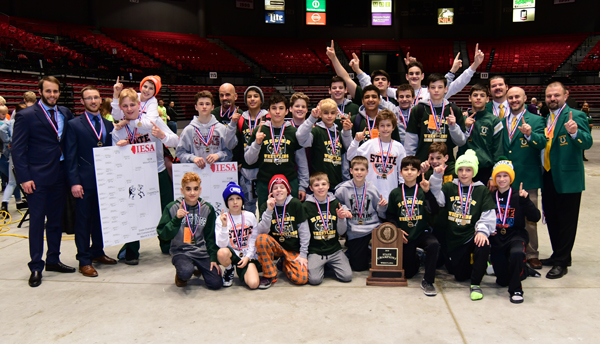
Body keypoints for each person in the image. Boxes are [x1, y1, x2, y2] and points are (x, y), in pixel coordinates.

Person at [12, 76, 76, 287]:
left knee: (56, 221)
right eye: (48, 91)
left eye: (55, 91)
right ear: (40, 92)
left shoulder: (65, 113)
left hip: (59, 175)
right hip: (36, 178)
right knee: (38, 223)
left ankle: (53, 260)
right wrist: (24, 178)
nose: (52, 95)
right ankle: (36, 266)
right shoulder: (26, 115)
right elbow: (18, 150)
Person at [112, 88, 179, 263]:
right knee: (133, 211)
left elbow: (175, 140)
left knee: (167, 210)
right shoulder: (118, 130)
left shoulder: (152, 122)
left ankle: (167, 244)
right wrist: (118, 148)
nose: (129, 109)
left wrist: (162, 135)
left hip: (158, 171)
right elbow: (112, 158)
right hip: (133, 176)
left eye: (132, 104)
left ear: (139, 104)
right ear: (121, 107)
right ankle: (132, 249)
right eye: (125, 106)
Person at [541, 82, 593, 279]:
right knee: (552, 219)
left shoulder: (576, 116)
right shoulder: (547, 118)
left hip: (568, 178)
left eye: (556, 95)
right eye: (549, 96)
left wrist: (574, 132)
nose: (552, 99)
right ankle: (559, 255)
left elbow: (587, 142)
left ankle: (562, 263)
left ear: (565, 95)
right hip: (548, 175)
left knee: (567, 221)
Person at [64, 86, 117, 278]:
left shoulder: (109, 125)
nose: (93, 101)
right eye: (88, 98)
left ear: (100, 100)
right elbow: (69, 156)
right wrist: (74, 182)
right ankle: (84, 260)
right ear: (82, 102)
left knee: (100, 220)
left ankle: (97, 252)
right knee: (83, 221)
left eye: (96, 97)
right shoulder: (74, 124)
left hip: (104, 181)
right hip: (83, 182)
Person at [430, 149, 496, 301]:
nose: (464, 173)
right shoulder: (449, 187)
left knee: (483, 243)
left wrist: (482, 231)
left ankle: (476, 283)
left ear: (474, 171)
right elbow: (436, 199)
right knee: (459, 276)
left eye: (468, 170)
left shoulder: (481, 190)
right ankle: (479, 264)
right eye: (460, 169)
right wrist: (437, 176)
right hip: (454, 238)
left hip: (471, 235)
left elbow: (489, 214)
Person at [502, 87, 547, 269]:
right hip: (505, 180)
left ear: (525, 98)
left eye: (517, 97)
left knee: (529, 218)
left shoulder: (536, 120)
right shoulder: (502, 121)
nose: (514, 100)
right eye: (510, 97)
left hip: (527, 178)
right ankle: (507, 248)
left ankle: (532, 253)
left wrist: (530, 135)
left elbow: (542, 142)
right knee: (505, 216)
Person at [156, 172, 222, 289]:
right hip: (181, 251)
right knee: (185, 272)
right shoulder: (172, 207)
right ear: (182, 190)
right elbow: (163, 235)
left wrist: (213, 258)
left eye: (195, 189)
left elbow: (211, 237)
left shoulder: (207, 209)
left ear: (200, 190)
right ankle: (182, 273)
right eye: (188, 189)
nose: (192, 193)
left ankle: (197, 267)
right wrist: (176, 220)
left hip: (201, 252)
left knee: (216, 283)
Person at [355, 45, 484, 104]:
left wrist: (474, 66)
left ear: (423, 76)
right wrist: (358, 70)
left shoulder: (431, 93)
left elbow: (457, 85)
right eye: (411, 73)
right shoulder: (398, 93)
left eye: (417, 73)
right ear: (407, 76)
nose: (414, 76)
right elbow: (375, 86)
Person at [387, 156, 440, 296]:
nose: (409, 172)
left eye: (413, 169)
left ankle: (428, 281)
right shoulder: (395, 193)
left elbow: (434, 210)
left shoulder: (424, 190)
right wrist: (397, 230)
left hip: (421, 231)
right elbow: (390, 215)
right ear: (400, 172)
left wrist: (428, 193)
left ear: (418, 172)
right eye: (406, 169)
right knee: (409, 273)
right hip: (405, 235)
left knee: (434, 244)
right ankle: (417, 256)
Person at [490, 159, 541, 304]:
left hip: (516, 236)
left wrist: (527, 202)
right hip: (497, 238)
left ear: (511, 178)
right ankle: (523, 270)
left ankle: (516, 290)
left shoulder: (519, 196)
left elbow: (535, 217)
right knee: (502, 281)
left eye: (505, 176)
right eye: (498, 176)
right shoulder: (490, 196)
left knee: (517, 253)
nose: (501, 179)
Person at [244, 93, 309, 207]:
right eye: (274, 108)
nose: (277, 112)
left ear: (287, 111)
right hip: (265, 183)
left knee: (289, 219)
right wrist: (257, 144)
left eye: (281, 108)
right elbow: (249, 160)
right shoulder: (259, 130)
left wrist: (303, 186)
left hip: (289, 182)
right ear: (268, 111)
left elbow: (302, 161)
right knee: (267, 219)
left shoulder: (293, 132)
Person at [255, 174, 309, 288]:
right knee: (261, 239)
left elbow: (304, 231)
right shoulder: (266, 205)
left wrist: (303, 254)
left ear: (288, 190)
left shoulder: (295, 203)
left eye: (282, 187)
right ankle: (269, 274)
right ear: (271, 192)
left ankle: (283, 263)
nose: (279, 190)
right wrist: (269, 210)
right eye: (275, 188)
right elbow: (261, 231)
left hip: (292, 249)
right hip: (275, 247)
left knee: (302, 278)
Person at [335, 156, 387, 271]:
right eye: (356, 169)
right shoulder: (342, 189)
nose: (359, 172)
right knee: (359, 268)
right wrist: (345, 209)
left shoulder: (372, 189)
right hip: (355, 231)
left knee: (383, 261)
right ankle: (357, 251)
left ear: (367, 172)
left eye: (362, 170)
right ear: (351, 171)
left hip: (373, 228)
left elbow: (380, 213)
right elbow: (336, 203)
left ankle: (368, 249)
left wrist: (382, 207)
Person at [405, 73, 466, 166]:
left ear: (446, 89)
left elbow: (461, 142)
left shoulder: (453, 110)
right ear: (428, 89)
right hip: (423, 164)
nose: (436, 90)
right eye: (433, 87)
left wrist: (453, 127)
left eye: (440, 87)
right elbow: (410, 142)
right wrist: (412, 164)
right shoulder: (418, 110)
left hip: (447, 165)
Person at [225, 86, 268, 214]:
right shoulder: (240, 118)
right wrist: (232, 123)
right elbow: (231, 144)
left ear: (261, 99)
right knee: (249, 205)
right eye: (249, 97)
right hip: (246, 169)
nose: (252, 99)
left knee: (265, 204)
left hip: (264, 168)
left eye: (256, 96)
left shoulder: (268, 118)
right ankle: (250, 232)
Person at [304, 172, 353, 285]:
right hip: (316, 251)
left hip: (334, 250)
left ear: (328, 186)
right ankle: (322, 265)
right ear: (311, 188)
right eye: (316, 185)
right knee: (314, 280)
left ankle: (329, 264)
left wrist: (341, 219)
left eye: (323, 184)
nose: (320, 187)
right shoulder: (306, 206)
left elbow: (341, 231)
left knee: (347, 277)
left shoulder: (335, 203)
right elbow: (305, 233)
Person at [346, 109, 406, 201]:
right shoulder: (369, 144)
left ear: (393, 127)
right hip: (370, 193)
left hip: (391, 193)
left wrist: (402, 192)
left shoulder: (399, 147)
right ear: (377, 127)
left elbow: (402, 173)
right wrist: (356, 141)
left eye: (388, 125)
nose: (385, 129)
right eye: (382, 125)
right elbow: (350, 156)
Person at [215, 182, 260, 289]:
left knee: (253, 284)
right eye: (231, 199)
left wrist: (248, 257)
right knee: (222, 253)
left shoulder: (250, 216)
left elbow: (254, 239)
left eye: (238, 198)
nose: (235, 202)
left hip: (246, 254)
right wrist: (225, 226)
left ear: (242, 200)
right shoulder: (221, 218)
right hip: (231, 253)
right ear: (226, 202)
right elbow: (221, 244)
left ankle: (244, 269)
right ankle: (229, 268)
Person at [457, 83, 504, 185]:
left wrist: (493, 175)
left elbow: (498, 151)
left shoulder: (494, 121)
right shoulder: (461, 119)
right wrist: (464, 126)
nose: (478, 98)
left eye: (482, 95)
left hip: (485, 170)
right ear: (469, 98)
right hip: (464, 169)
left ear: (487, 99)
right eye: (475, 95)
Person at [175, 91, 233, 169]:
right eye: (201, 104)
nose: (204, 107)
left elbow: (229, 152)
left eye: (207, 104)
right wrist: (193, 158)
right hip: (195, 173)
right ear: (196, 107)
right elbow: (180, 153)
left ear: (212, 107)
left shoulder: (221, 129)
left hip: (217, 174)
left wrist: (218, 155)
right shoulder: (188, 130)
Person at [296, 98, 345, 189]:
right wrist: (312, 118)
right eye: (326, 113)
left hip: (337, 183)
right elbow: (300, 137)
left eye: (332, 113)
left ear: (336, 114)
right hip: (318, 184)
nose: (329, 116)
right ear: (320, 114)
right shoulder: (316, 131)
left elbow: (345, 157)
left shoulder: (339, 132)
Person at [0, 104, 26, 213]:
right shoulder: (23, 122)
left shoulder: (10, 122)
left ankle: (4, 203)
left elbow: (1, 130)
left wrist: (8, 141)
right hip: (24, 154)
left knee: (11, 182)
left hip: (13, 153)